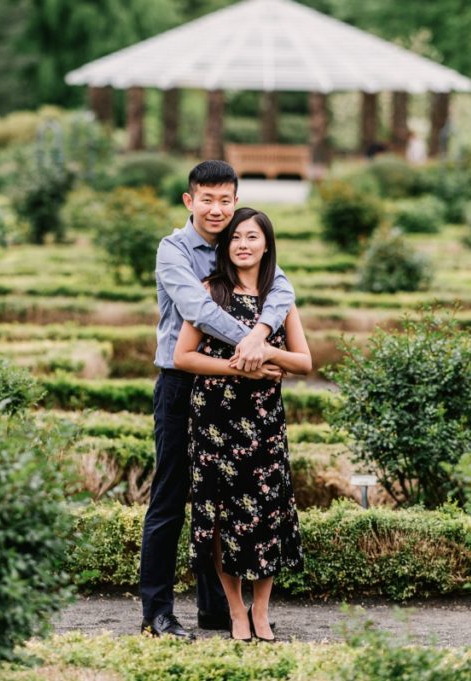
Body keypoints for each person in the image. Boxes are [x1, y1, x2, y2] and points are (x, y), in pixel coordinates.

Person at [140, 161, 295, 639]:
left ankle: (217, 609)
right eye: (207, 199)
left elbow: (281, 286)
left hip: (234, 390)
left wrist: (264, 333)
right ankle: (157, 613)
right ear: (190, 201)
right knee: (170, 497)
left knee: (222, 496)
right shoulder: (174, 251)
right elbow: (199, 310)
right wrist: (250, 344)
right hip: (182, 383)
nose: (217, 208)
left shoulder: (237, 240)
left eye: (225, 199)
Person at [174, 207, 310, 642]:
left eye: (252, 237)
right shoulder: (210, 291)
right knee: (219, 516)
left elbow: (305, 362)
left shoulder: (279, 296)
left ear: (266, 244)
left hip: (264, 422)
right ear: (225, 246)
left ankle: (262, 612)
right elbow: (184, 357)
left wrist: (267, 353)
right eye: (235, 238)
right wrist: (241, 369)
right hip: (215, 418)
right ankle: (236, 611)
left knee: (266, 513)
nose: (243, 244)